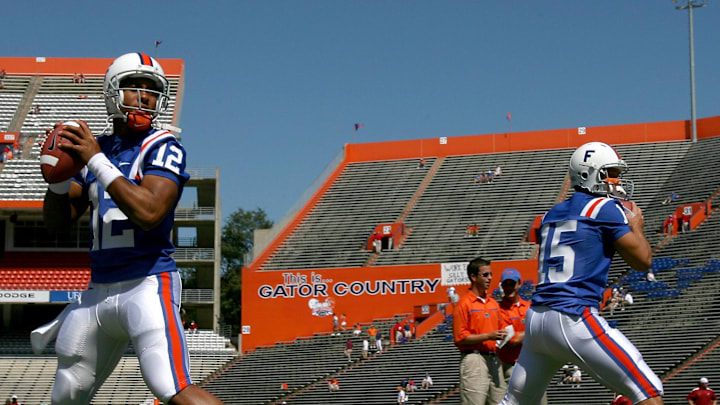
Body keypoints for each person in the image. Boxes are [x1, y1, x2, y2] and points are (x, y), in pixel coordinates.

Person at [32, 53, 223, 405]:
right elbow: (56, 222)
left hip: (146, 284)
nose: (145, 96)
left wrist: (95, 160)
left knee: (173, 388)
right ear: (112, 92)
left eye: (152, 90)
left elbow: (149, 212)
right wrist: (56, 177)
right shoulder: (96, 150)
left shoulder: (163, 146)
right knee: (67, 394)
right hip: (96, 292)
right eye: (135, 87)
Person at [500, 142, 662, 405]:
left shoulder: (552, 213)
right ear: (590, 174)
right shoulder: (605, 208)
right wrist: (637, 226)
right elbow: (643, 262)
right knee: (647, 389)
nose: (617, 181)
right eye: (611, 173)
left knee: (514, 402)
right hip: (572, 316)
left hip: (537, 321)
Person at [452, 257, 508, 405]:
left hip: (494, 358)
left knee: (501, 402)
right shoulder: (464, 304)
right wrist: (488, 336)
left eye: (490, 274)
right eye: (485, 275)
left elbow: (501, 328)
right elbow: (460, 338)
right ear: (473, 277)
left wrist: (505, 335)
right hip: (474, 359)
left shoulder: (493, 303)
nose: (490, 278)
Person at [497, 268, 548, 405]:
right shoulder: (498, 311)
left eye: (512, 284)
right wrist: (532, 331)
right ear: (501, 286)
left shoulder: (529, 307)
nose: (509, 288)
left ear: (519, 284)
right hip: (511, 366)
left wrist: (524, 334)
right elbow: (512, 340)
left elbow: (542, 331)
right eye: (506, 284)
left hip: (533, 363)